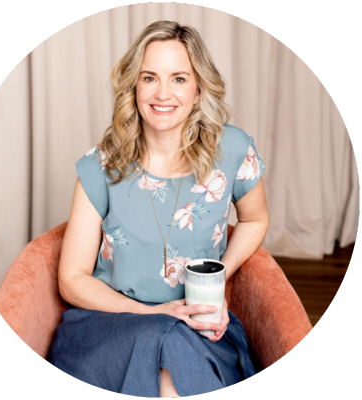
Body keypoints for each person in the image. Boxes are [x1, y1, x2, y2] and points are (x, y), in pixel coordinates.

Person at [47, 21, 269, 397]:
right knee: (163, 340)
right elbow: (71, 278)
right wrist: (154, 315)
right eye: (149, 77)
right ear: (134, 87)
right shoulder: (102, 165)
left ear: (199, 90)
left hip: (197, 328)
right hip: (109, 328)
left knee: (174, 352)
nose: (163, 93)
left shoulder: (232, 150)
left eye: (179, 78)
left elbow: (255, 218)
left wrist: (217, 278)